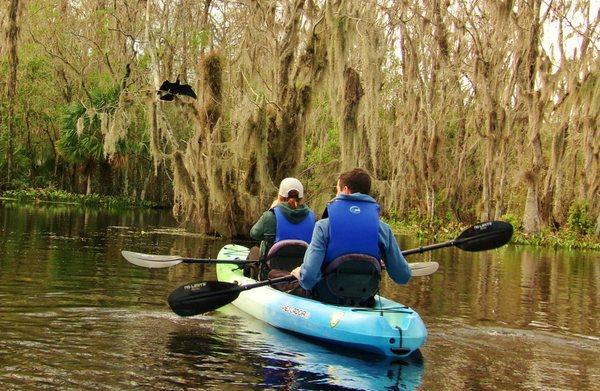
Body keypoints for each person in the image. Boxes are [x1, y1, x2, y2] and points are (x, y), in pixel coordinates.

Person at [290, 168, 411, 302]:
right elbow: (402, 276)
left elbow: (308, 280)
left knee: (278, 277)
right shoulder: (383, 228)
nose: (335, 195)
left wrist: (300, 274)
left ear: (345, 190)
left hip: (328, 296)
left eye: (337, 190)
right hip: (365, 298)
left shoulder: (323, 226)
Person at [247, 178, 316, 281]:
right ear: (301, 198)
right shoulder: (313, 218)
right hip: (300, 273)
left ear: (280, 197)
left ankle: (251, 283)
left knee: (254, 251)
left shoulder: (271, 216)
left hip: (272, 274)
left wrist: (271, 210)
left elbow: (254, 234)